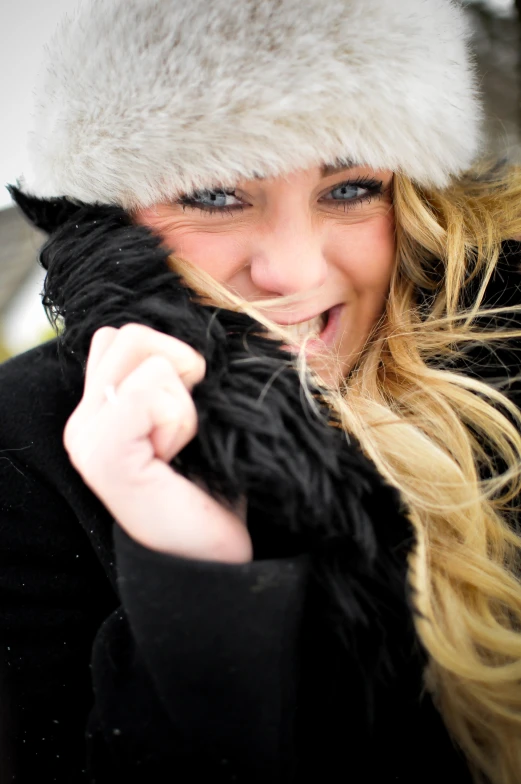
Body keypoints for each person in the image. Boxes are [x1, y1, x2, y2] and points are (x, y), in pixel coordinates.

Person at [1, 0, 521, 781]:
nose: (295, 272)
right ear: (106, 220)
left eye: (348, 189)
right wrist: (195, 584)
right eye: (214, 195)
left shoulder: (501, 358)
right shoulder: (21, 451)